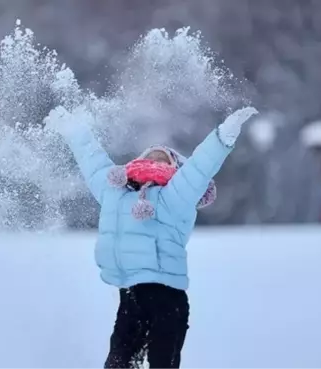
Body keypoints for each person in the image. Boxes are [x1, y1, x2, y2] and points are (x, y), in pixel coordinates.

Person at [43, 105, 258, 369]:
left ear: (176, 169)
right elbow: (93, 162)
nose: (155, 161)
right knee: (117, 364)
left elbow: (200, 167)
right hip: (130, 298)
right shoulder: (116, 193)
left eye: (163, 159)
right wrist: (74, 130)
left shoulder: (175, 196)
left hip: (167, 300)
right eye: (150, 157)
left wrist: (223, 136)